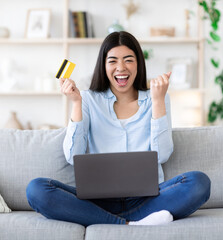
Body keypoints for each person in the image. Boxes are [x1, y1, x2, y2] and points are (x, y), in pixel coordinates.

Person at [26, 31, 211, 227]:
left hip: (146, 199)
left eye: (128, 60)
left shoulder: (157, 97)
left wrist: (157, 101)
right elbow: (73, 156)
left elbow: (162, 155)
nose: (121, 68)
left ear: (138, 63)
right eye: (112, 61)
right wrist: (76, 104)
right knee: (37, 189)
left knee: (199, 183)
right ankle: (130, 224)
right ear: (104, 66)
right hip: (95, 203)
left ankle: (113, 222)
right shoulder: (88, 99)